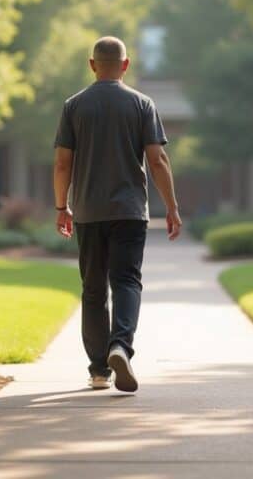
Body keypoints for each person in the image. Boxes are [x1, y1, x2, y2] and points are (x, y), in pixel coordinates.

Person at [53, 36, 182, 393]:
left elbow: (63, 162)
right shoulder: (142, 104)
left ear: (92, 64)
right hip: (129, 212)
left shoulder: (74, 106)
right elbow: (157, 160)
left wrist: (61, 207)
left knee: (93, 290)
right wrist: (171, 207)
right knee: (126, 281)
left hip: (88, 213)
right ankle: (120, 345)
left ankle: (98, 371)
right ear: (126, 65)